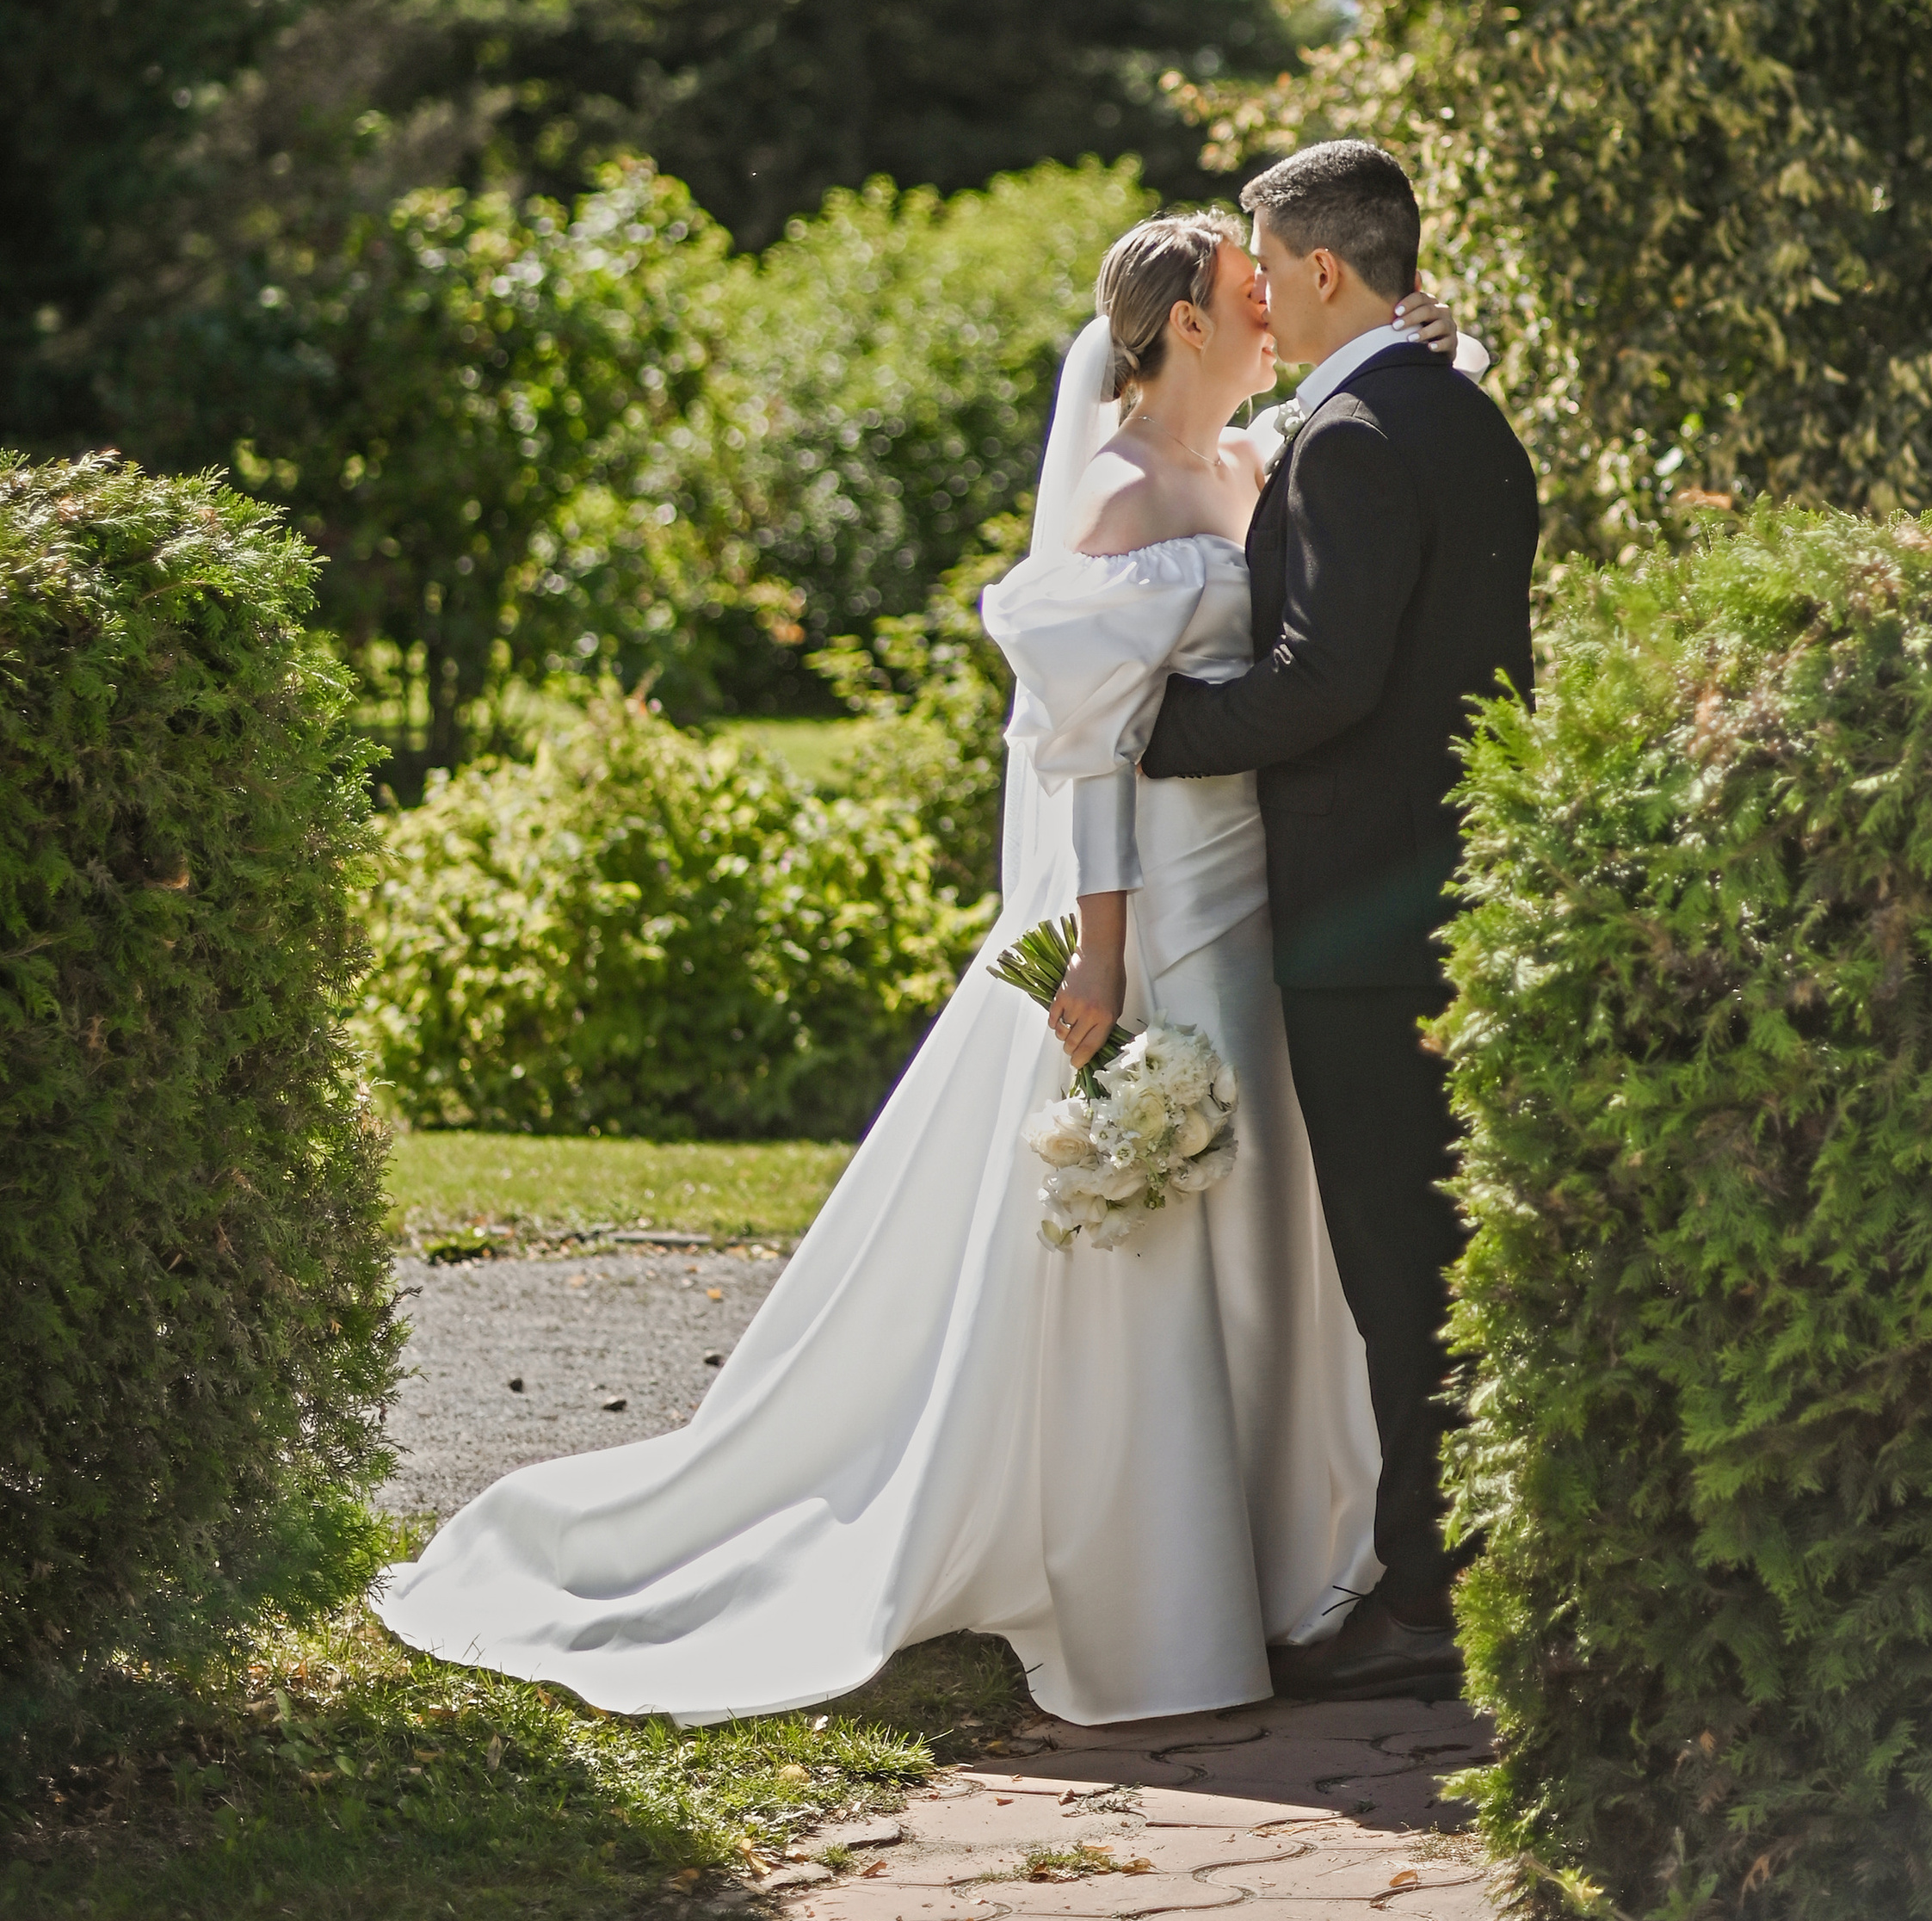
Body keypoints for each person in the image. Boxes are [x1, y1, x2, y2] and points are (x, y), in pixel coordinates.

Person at [372, 214, 1466, 1728]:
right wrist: (1099, 947)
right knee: (1159, 1221)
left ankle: (1289, 1559)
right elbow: (1087, 744)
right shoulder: (1111, 492)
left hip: (1257, 889)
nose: (1273, 306)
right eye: (1244, 289)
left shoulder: (1253, 461)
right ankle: (1155, 1575)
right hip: (1156, 898)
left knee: (1269, 1221)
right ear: (1184, 324)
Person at [1144, 142, 1540, 1705]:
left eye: (1264, 256)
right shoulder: (1468, 418)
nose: (1253, 285)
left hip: (1367, 922)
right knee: (1449, 1248)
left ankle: (1432, 1600)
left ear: (1319, 269)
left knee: (1402, 1259)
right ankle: (1484, 1560)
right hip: (1458, 884)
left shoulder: (1357, 433)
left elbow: (1330, 677)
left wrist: (1150, 726)